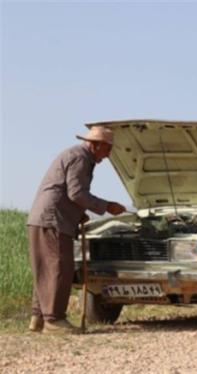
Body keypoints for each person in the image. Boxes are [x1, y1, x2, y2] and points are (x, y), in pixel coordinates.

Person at [26, 126, 126, 334]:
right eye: (107, 150)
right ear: (95, 145)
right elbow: (77, 193)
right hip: (54, 220)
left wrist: (79, 214)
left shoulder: (75, 155)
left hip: (42, 218)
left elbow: (67, 192)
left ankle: (38, 318)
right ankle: (54, 320)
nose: (107, 156)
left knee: (46, 269)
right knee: (60, 268)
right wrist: (107, 206)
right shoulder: (80, 158)